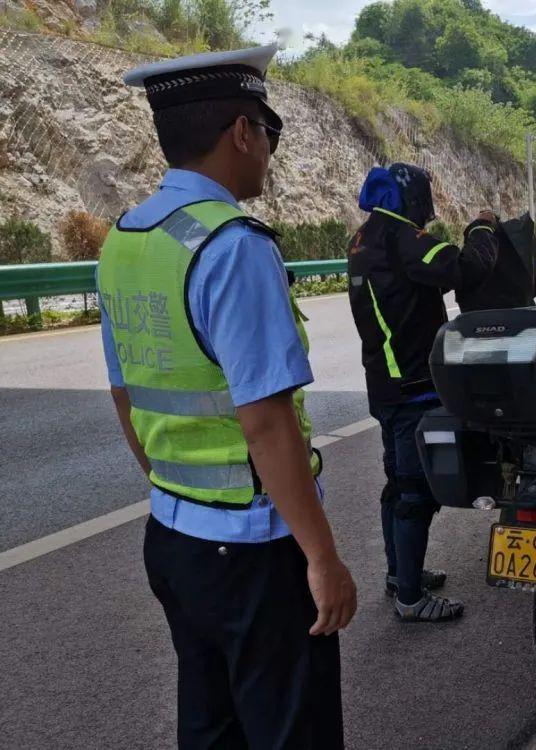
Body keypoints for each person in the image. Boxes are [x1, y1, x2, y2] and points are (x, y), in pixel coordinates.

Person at [96, 44, 356, 748]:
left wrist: (173, 489)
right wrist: (322, 558)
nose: (270, 151)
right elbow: (268, 424)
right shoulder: (233, 247)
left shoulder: (124, 241)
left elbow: (125, 391)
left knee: (211, 729)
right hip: (253, 553)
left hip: (174, 539)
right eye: (270, 133)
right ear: (242, 131)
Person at [347, 163, 499, 622]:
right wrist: (482, 228)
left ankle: (400, 576)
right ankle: (410, 599)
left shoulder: (363, 237)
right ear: (412, 199)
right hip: (413, 386)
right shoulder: (401, 238)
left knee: (397, 485)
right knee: (414, 492)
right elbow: (465, 268)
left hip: (385, 384)